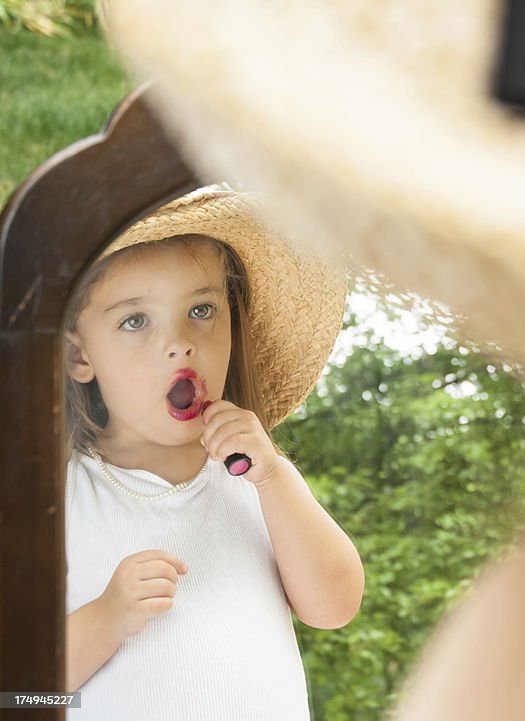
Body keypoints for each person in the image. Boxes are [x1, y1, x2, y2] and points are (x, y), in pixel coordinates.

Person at [61, 187, 362, 720]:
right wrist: (104, 620)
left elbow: (335, 607)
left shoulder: (258, 479)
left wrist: (272, 479)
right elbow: (18, 692)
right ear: (79, 355)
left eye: (201, 310)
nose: (180, 343)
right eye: (135, 321)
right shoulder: (59, 494)